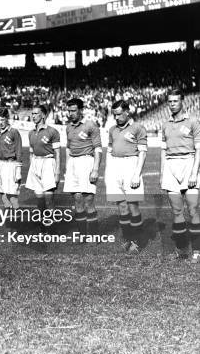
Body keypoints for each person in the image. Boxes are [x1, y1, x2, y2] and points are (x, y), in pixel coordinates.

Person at [160, 89, 200, 262]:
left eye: (175, 101)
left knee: (192, 209)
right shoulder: (165, 124)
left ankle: (197, 251)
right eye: (170, 101)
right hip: (170, 165)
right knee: (177, 211)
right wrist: (162, 174)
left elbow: (199, 149)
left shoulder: (192, 121)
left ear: (182, 102)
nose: (172, 104)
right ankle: (182, 250)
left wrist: (194, 172)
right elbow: (163, 151)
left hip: (189, 163)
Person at [106, 100, 147, 254]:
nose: (116, 118)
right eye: (114, 115)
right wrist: (107, 172)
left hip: (131, 166)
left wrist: (137, 174)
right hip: (115, 167)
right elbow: (109, 152)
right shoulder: (112, 130)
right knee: (122, 206)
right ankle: (128, 239)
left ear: (127, 112)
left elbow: (143, 152)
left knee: (133, 206)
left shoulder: (138, 128)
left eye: (118, 114)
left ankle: (136, 242)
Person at [63, 98, 102, 235]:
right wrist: (68, 167)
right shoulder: (68, 127)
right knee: (77, 198)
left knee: (88, 198)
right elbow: (68, 148)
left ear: (81, 111)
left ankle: (94, 234)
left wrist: (95, 169)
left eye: (73, 110)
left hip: (86, 162)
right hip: (72, 163)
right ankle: (82, 235)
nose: (70, 113)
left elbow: (98, 149)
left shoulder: (90, 125)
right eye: (69, 111)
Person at [25, 105, 61, 228]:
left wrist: (57, 173)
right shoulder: (31, 133)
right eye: (32, 113)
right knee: (39, 199)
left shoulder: (52, 131)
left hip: (48, 163)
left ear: (43, 115)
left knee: (49, 199)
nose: (33, 116)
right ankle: (43, 225)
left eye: (36, 113)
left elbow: (57, 154)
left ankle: (53, 226)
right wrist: (32, 168)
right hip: (35, 163)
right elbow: (31, 152)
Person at [0, 108, 23, 209]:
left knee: (12, 196)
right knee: (3, 194)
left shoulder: (14, 132)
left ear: (7, 119)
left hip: (11, 165)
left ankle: (17, 217)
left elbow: (19, 150)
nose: (0, 122)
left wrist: (18, 170)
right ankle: (11, 216)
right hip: (0, 164)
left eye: (2, 120)